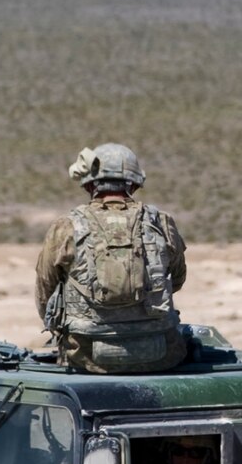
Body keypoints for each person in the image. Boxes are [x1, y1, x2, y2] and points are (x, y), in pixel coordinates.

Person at [35, 143, 189, 373]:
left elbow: (45, 290)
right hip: (161, 355)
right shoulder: (161, 222)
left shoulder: (66, 226)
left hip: (85, 358)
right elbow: (176, 279)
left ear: (89, 185)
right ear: (134, 184)